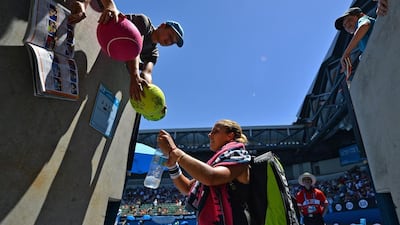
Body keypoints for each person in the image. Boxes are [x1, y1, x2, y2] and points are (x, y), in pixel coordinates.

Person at [69, 0, 184, 101]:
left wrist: (147, 90)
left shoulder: (153, 53)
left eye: (172, 42)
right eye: (169, 36)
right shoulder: (145, 23)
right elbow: (134, 46)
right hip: (102, 37)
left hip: (108, 61)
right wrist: (134, 76)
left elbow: (147, 72)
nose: (169, 41)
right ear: (163, 26)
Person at [157, 119, 252, 225]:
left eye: (215, 131)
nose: (209, 135)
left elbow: (211, 177)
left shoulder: (239, 155)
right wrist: (172, 166)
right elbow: (188, 187)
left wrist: (175, 153)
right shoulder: (216, 163)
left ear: (230, 136)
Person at [334, 7, 376, 79]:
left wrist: (346, 53)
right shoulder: (360, 41)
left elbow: (365, 25)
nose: (347, 25)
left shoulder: (362, 20)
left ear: (360, 15)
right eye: (344, 26)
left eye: (349, 20)